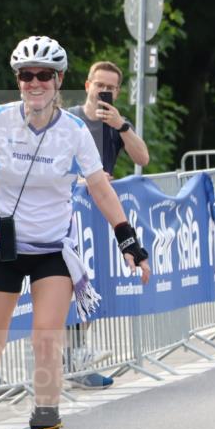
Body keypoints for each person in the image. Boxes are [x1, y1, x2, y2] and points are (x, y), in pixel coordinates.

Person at [0, 36, 151, 429]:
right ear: (18, 80)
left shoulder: (74, 132)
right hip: (0, 246)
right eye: (26, 75)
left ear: (58, 81)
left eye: (44, 75)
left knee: (46, 338)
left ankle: (46, 425)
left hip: (52, 248)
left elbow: (99, 187)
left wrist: (128, 240)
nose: (34, 83)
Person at [63, 60, 150, 389]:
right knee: (68, 288)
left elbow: (142, 159)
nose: (104, 91)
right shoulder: (68, 120)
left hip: (99, 220)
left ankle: (76, 362)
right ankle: (64, 363)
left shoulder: (116, 123)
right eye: (99, 85)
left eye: (111, 87)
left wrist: (123, 126)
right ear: (88, 86)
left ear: (118, 91)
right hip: (65, 217)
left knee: (91, 289)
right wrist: (79, 180)